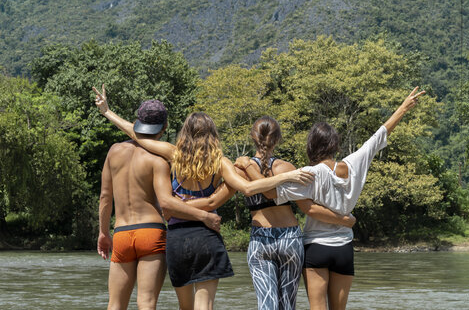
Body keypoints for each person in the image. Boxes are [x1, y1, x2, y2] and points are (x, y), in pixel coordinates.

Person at [92, 85, 314, 310]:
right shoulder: (221, 162)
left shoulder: (174, 155)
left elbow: (137, 136)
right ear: (213, 134)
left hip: (177, 239)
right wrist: (288, 176)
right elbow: (248, 189)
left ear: (184, 133)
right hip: (207, 237)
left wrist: (108, 113)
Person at [269, 87, 426, 310]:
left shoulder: (310, 173)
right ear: (335, 145)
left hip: (316, 246)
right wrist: (403, 107)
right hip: (343, 248)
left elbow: (274, 192)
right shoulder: (354, 164)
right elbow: (380, 134)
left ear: (312, 146)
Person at [97, 98, 223, 310]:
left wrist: (103, 233)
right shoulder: (160, 159)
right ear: (164, 127)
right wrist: (205, 215)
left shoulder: (113, 152)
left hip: (121, 233)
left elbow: (105, 198)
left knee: (115, 304)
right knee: (146, 303)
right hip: (151, 232)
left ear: (138, 122)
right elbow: (166, 202)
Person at [232, 116, 356, 310]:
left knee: (267, 304)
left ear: (253, 138)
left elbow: (224, 195)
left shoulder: (240, 169)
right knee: (288, 304)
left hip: (260, 239)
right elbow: (307, 206)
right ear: (278, 139)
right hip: (290, 238)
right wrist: (343, 219)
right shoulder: (287, 168)